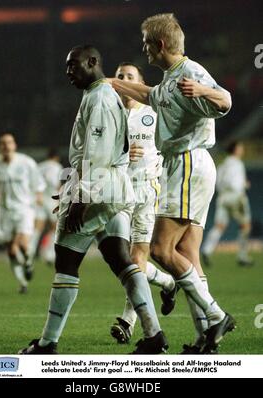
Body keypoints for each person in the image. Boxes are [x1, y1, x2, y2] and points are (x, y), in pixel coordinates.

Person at [19, 45, 168, 355]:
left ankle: (47, 343)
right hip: (114, 191)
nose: (68, 72)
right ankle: (153, 334)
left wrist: (79, 201)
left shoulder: (99, 98)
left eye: (73, 65)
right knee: (121, 260)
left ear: (93, 62)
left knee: (66, 260)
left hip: (100, 191)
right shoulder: (100, 95)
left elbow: (97, 158)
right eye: (67, 66)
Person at [109, 13, 235, 354]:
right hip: (190, 165)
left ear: (160, 44)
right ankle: (205, 338)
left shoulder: (190, 72)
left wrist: (205, 90)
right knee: (188, 255)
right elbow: (152, 95)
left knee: (161, 250)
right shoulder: (170, 78)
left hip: (188, 162)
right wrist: (112, 82)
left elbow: (225, 100)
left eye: (146, 43)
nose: (144, 50)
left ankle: (217, 315)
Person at [110, 62, 175, 344]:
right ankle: (167, 282)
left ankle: (128, 321)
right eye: (120, 76)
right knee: (124, 261)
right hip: (119, 193)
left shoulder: (153, 112)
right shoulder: (109, 115)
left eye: (130, 77)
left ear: (140, 82)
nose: (124, 80)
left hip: (148, 191)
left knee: (136, 259)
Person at [0, 133, 45, 294]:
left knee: (24, 244)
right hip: (4, 211)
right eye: (2, 143)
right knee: (11, 251)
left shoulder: (26, 163)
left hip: (24, 208)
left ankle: (28, 262)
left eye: (9, 142)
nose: (6, 146)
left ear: (14, 145)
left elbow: (38, 183)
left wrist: (39, 195)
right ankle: (23, 282)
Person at [202, 141, 253, 266]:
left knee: (219, 226)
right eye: (240, 148)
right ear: (235, 150)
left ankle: (206, 250)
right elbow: (235, 183)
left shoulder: (222, 164)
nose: (242, 150)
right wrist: (244, 184)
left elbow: (218, 182)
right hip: (236, 197)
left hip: (223, 198)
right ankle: (242, 256)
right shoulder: (237, 163)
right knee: (245, 226)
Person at [29, 148, 63, 265]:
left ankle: (29, 252)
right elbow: (52, 180)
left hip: (39, 199)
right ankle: (49, 255)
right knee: (56, 227)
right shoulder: (56, 166)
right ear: (56, 157)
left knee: (37, 228)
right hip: (50, 199)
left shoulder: (39, 166)